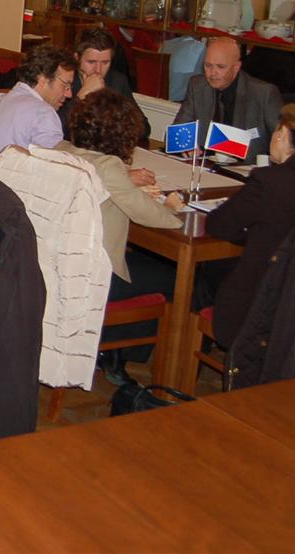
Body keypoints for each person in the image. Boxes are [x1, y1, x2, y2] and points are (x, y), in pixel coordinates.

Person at [58, 89, 184, 383]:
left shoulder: (63, 151)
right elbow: (155, 218)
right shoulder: (109, 167)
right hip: (92, 278)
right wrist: (170, 206)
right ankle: (128, 355)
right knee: (176, 278)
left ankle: (110, 349)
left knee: (144, 266)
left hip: (60, 268)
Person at [204, 103, 295, 348]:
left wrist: (250, 234)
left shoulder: (269, 181)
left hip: (257, 301)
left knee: (204, 275)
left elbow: (219, 225)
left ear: (282, 135)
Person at [0, 43, 75, 177]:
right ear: (42, 80)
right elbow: (54, 175)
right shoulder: (44, 114)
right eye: (65, 85)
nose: (69, 94)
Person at [172, 36, 283, 160]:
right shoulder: (198, 85)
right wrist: (185, 144)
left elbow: (285, 145)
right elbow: (176, 134)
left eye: (220, 67)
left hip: (247, 166)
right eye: (208, 65)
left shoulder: (263, 93)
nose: (213, 72)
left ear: (236, 67)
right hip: (205, 162)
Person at [57, 28, 147, 142]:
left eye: (105, 62)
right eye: (91, 62)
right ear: (76, 58)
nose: (98, 70)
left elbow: (143, 127)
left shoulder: (117, 82)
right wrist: (80, 97)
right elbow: (56, 127)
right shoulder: (63, 80)